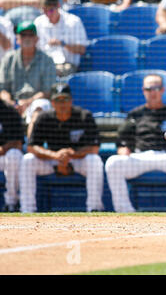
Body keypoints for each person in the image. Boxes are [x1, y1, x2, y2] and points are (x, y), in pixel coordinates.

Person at [105, 74, 166, 213]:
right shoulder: (135, 114)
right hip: (141, 157)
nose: (153, 92)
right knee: (113, 162)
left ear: (163, 90)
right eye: (149, 89)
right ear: (144, 90)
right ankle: (125, 211)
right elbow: (122, 141)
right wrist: (123, 150)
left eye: (157, 88)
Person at [19, 82, 104, 213]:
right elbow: (32, 147)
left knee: (95, 161)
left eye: (65, 99)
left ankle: (94, 208)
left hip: (77, 159)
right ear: (52, 103)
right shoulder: (44, 117)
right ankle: (27, 209)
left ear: (71, 101)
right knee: (27, 160)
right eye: (58, 100)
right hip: (51, 159)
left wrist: (72, 154)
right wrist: (55, 155)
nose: (62, 104)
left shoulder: (83, 116)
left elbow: (94, 148)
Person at [0, 20, 56, 136]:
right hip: (13, 105)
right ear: (17, 39)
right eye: (23, 35)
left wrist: (27, 103)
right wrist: (10, 103)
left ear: (36, 39)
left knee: (41, 104)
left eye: (30, 35)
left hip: (34, 103)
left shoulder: (47, 60)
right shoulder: (8, 59)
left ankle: (32, 143)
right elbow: (3, 89)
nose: (27, 38)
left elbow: (47, 91)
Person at [34, 0, 88, 77]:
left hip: (68, 65)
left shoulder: (73, 22)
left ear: (58, 6)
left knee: (51, 73)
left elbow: (82, 49)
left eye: (51, 10)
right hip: (44, 64)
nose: (48, 14)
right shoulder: (38, 22)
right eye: (44, 10)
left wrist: (62, 44)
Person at [0, 99, 23, 212]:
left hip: (3, 157)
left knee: (14, 155)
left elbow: (17, 143)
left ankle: (12, 203)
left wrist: (2, 149)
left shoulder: (9, 111)